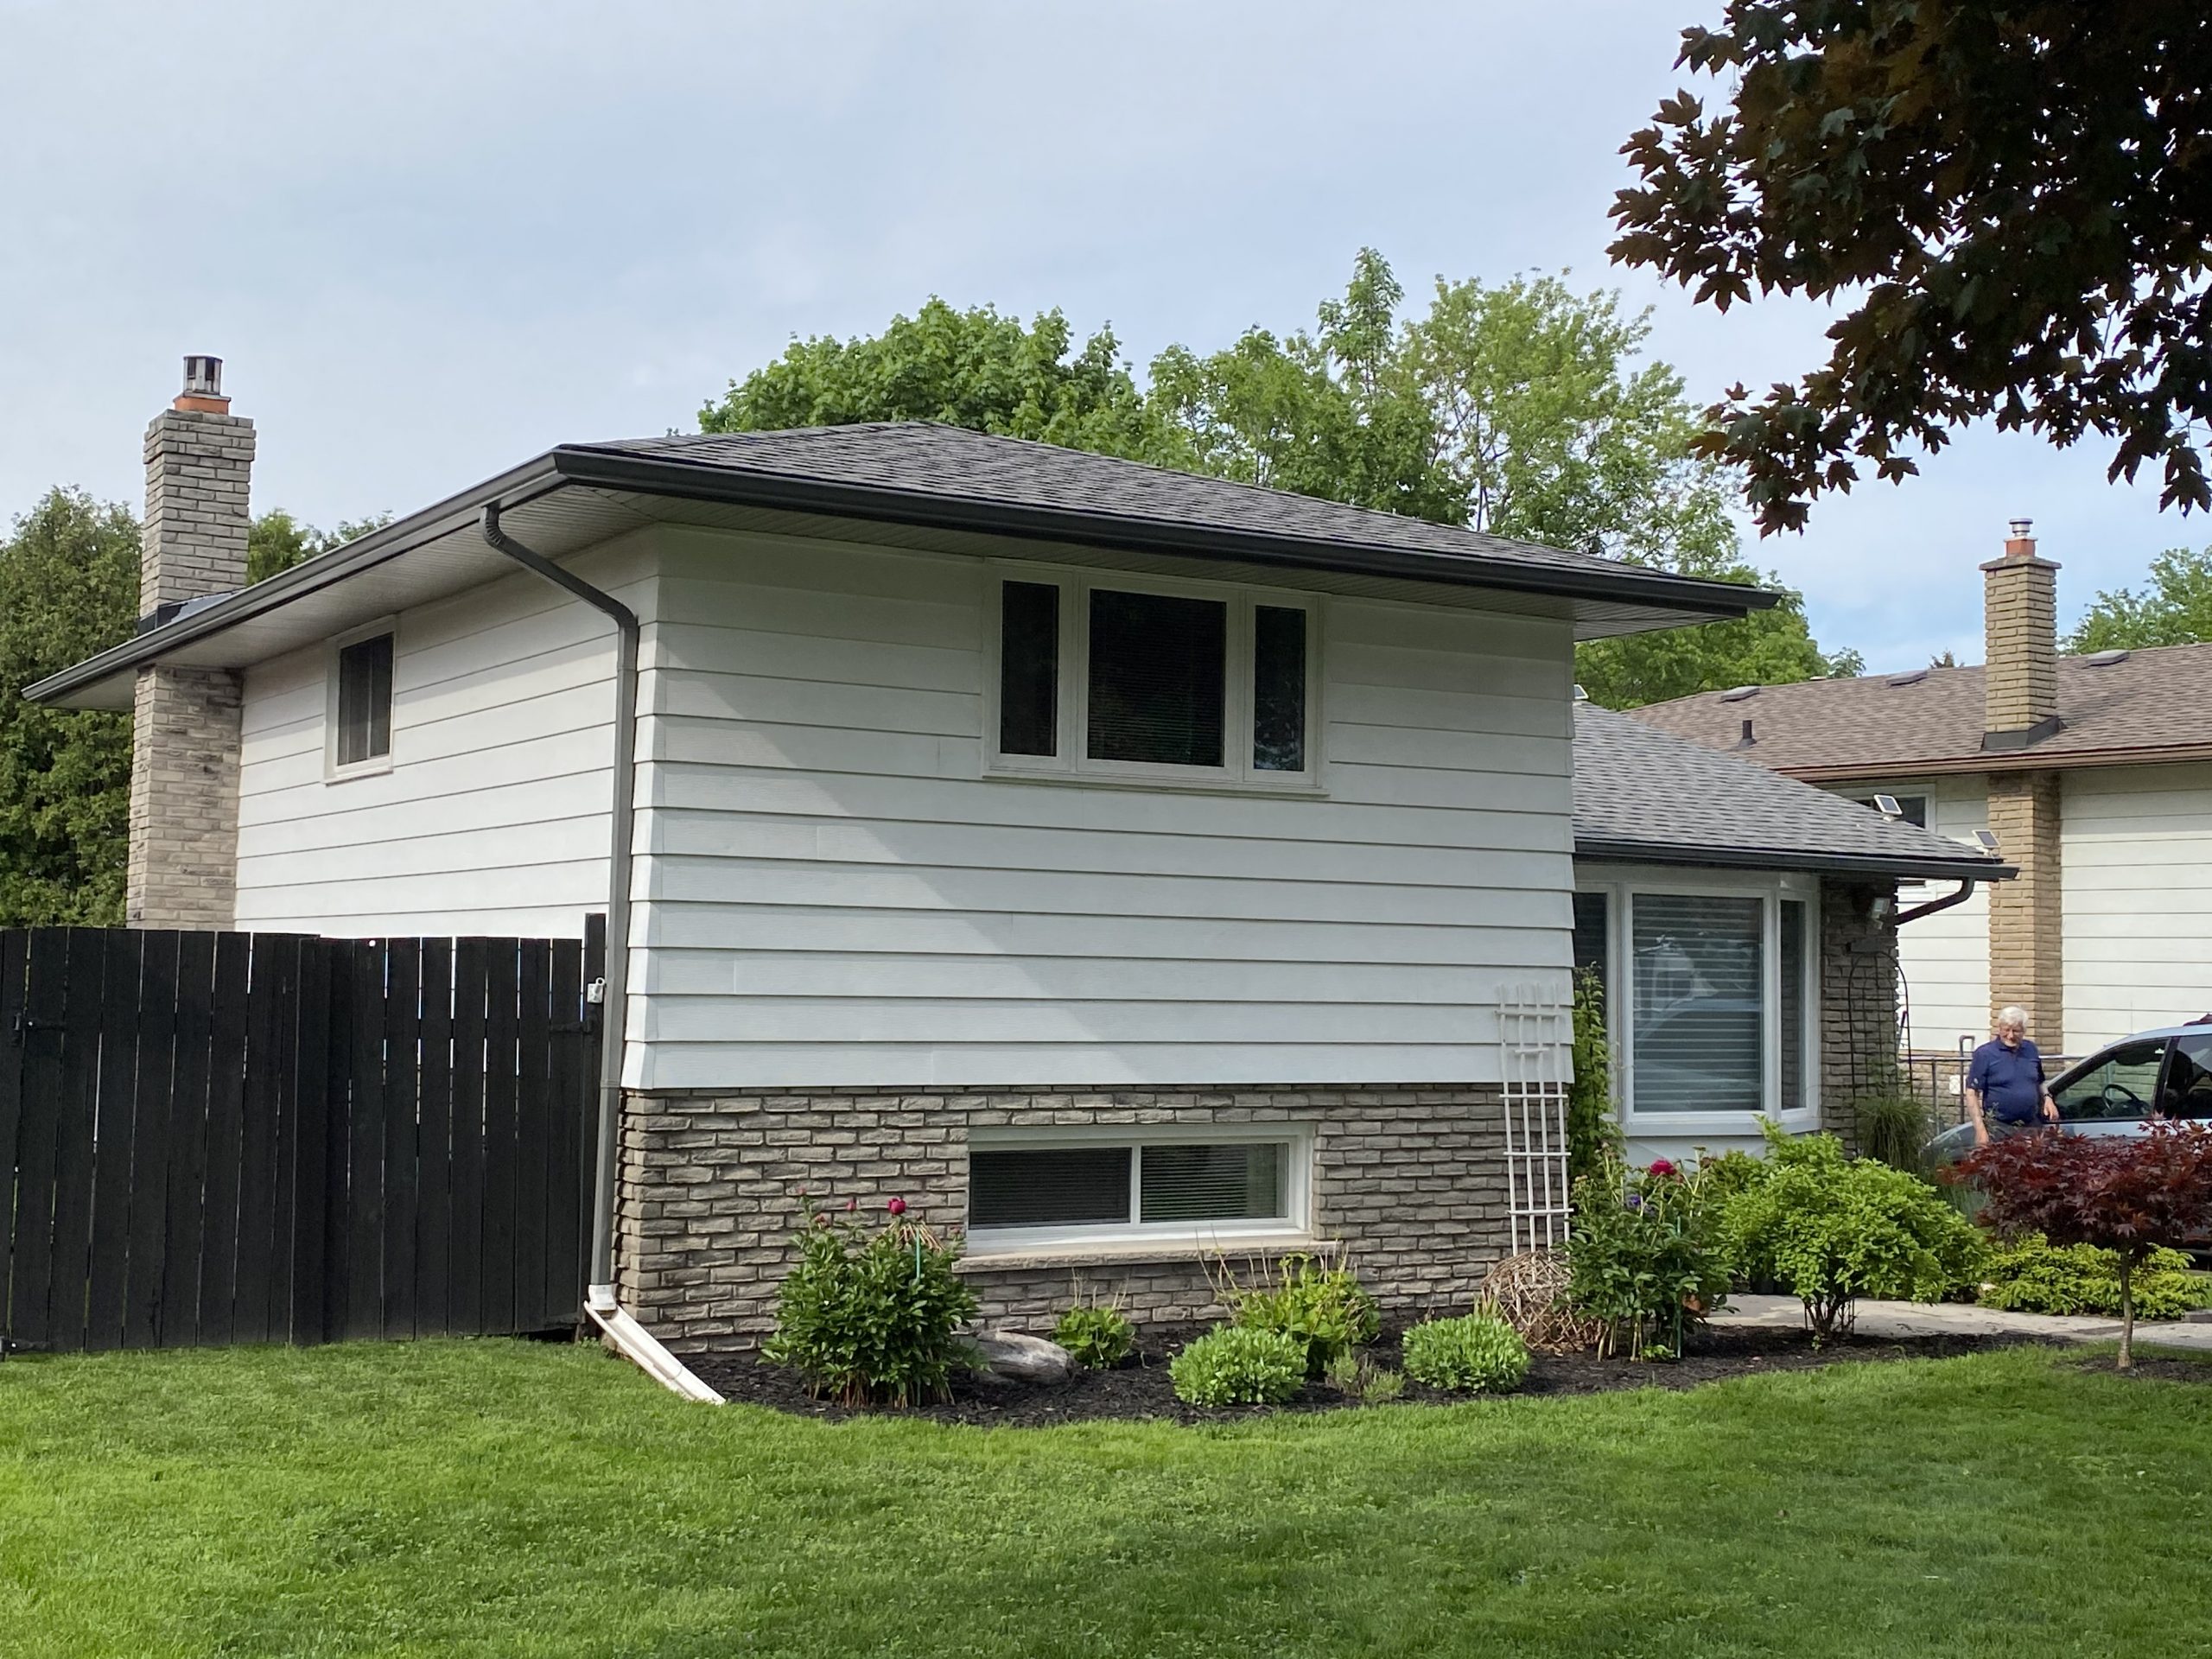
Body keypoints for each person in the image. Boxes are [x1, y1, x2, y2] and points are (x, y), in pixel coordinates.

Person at [1964, 1006, 2058, 1147]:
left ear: (2024, 1031)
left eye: (2016, 1031)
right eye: (2006, 1030)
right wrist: (1980, 1130)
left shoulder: (2031, 1049)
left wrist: (2048, 1099)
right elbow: (1971, 1093)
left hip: (2031, 1126)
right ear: (1999, 1028)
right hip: (1999, 1128)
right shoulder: (1985, 1054)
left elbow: (2039, 1081)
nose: (2011, 1035)